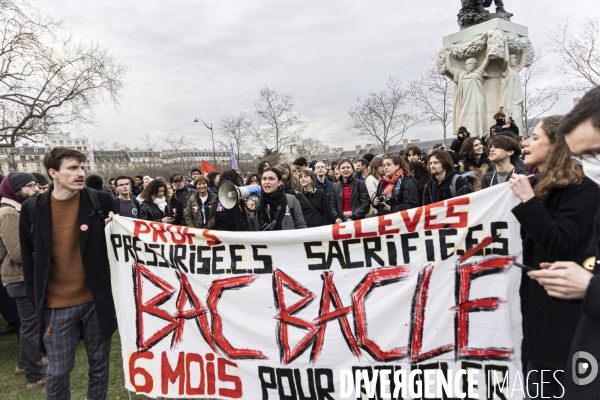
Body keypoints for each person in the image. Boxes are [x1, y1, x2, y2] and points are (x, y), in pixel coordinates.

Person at [509, 115, 600, 397]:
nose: (525, 142)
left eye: (535, 137)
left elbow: (559, 245)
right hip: (534, 324)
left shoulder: (584, 191)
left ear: (557, 145)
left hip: (561, 331)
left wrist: (528, 201)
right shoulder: (542, 186)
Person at [20, 147, 119, 399]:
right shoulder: (33, 208)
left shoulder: (100, 201)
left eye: (82, 167)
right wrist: (38, 303)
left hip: (96, 302)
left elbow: (121, 250)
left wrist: (114, 231)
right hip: (56, 305)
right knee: (58, 371)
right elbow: (30, 262)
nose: (80, 173)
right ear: (53, 173)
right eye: (73, 168)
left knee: (99, 367)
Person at [0, 172, 47, 391]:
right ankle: (35, 376)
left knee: (29, 323)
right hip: (18, 276)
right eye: (30, 186)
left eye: (36, 184)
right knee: (31, 325)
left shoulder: (18, 208)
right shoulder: (9, 212)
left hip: (21, 276)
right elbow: (18, 254)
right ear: (15, 189)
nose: (36, 189)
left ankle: (23, 363)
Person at [330, 158, 370, 224]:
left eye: (348, 167)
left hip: (356, 219)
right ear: (339, 170)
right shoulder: (335, 186)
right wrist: (336, 216)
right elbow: (333, 204)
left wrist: (354, 217)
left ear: (352, 169)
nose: (345, 169)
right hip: (341, 221)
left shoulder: (360, 184)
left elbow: (365, 203)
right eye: (343, 168)